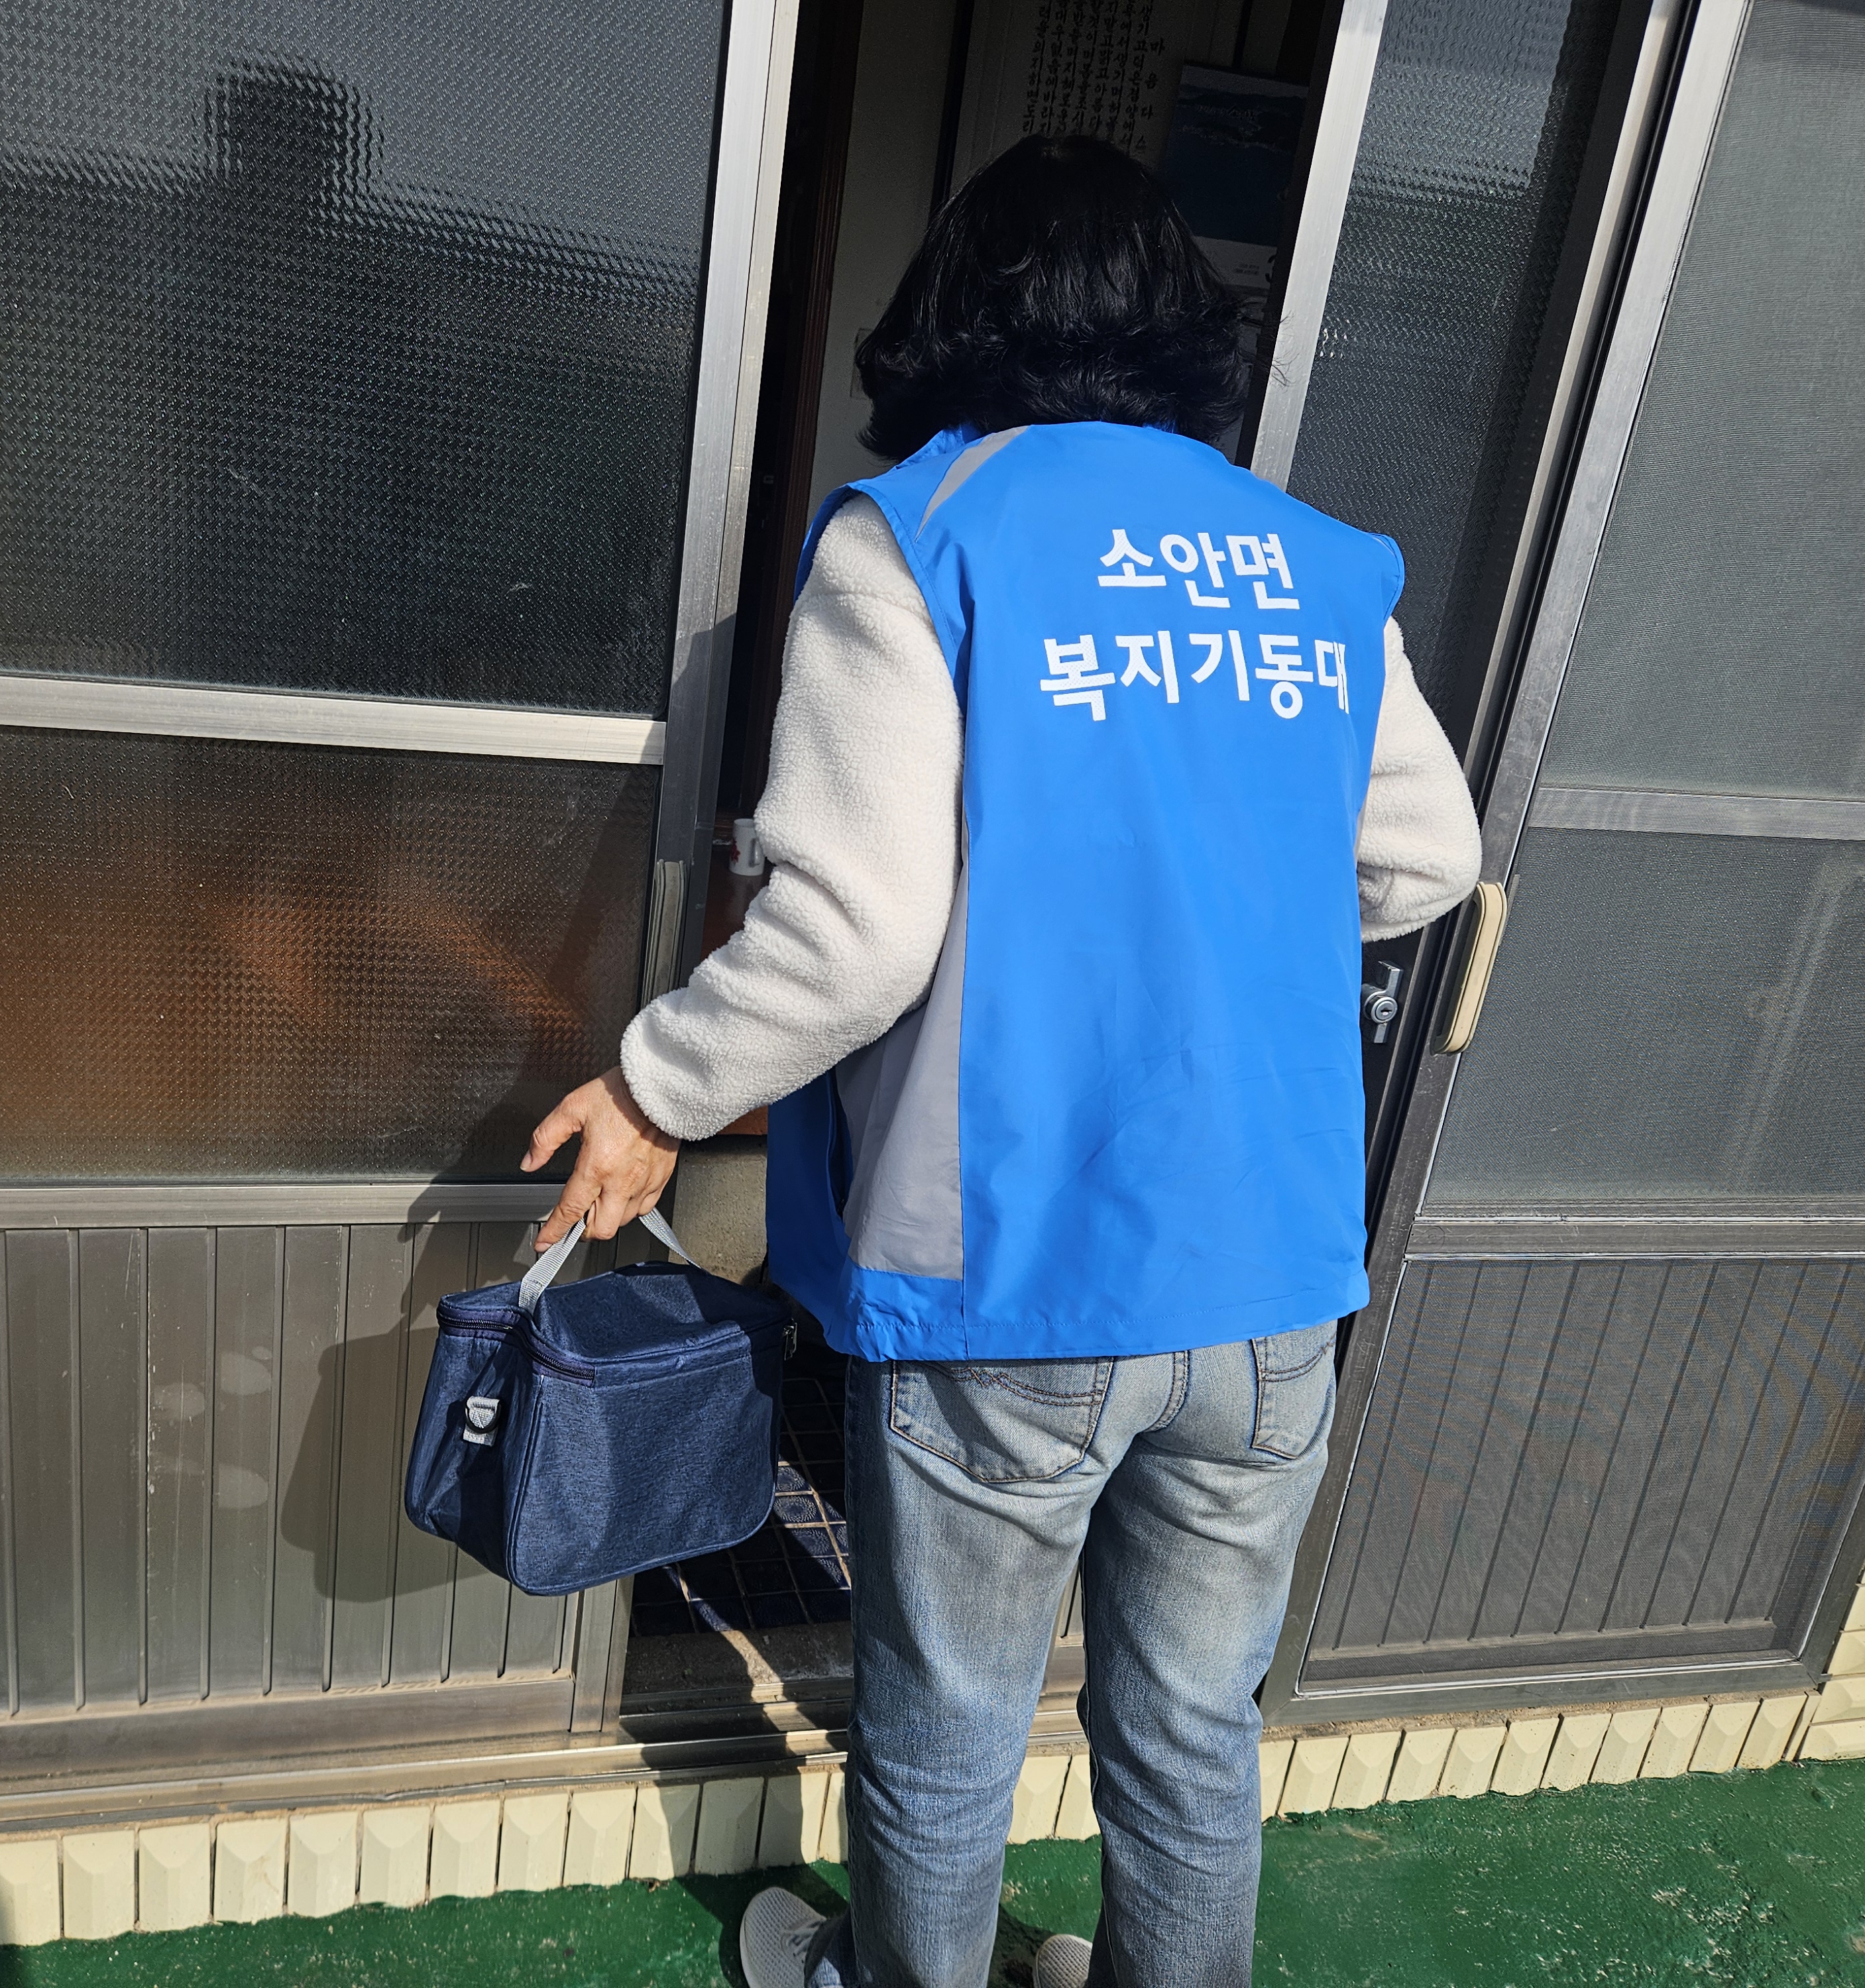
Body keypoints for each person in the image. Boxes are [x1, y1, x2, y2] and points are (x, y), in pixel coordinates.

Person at [522, 134, 1480, 1988]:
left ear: (951, 313)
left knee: (950, 1726)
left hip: (1016, 1275)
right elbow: (1424, 859)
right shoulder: (1304, 559)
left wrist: (653, 1088)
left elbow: (854, 934)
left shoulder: (925, 534)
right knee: (1191, 1726)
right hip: (1271, 1275)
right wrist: (1204, 910)